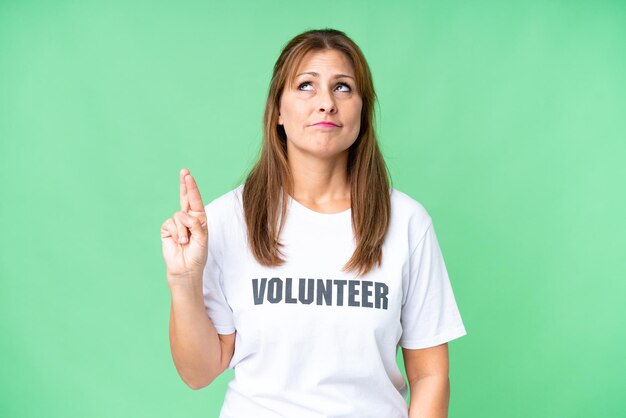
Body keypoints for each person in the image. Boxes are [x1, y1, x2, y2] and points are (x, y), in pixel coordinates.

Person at [161, 28, 467, 418]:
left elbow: (430, 377)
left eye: (343, 88)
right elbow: (198, 373)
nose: (326, 103)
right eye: (306, 86)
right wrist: (184, 283)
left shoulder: (406, 222)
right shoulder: (225, 220)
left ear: (362, 110)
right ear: (277, 111)